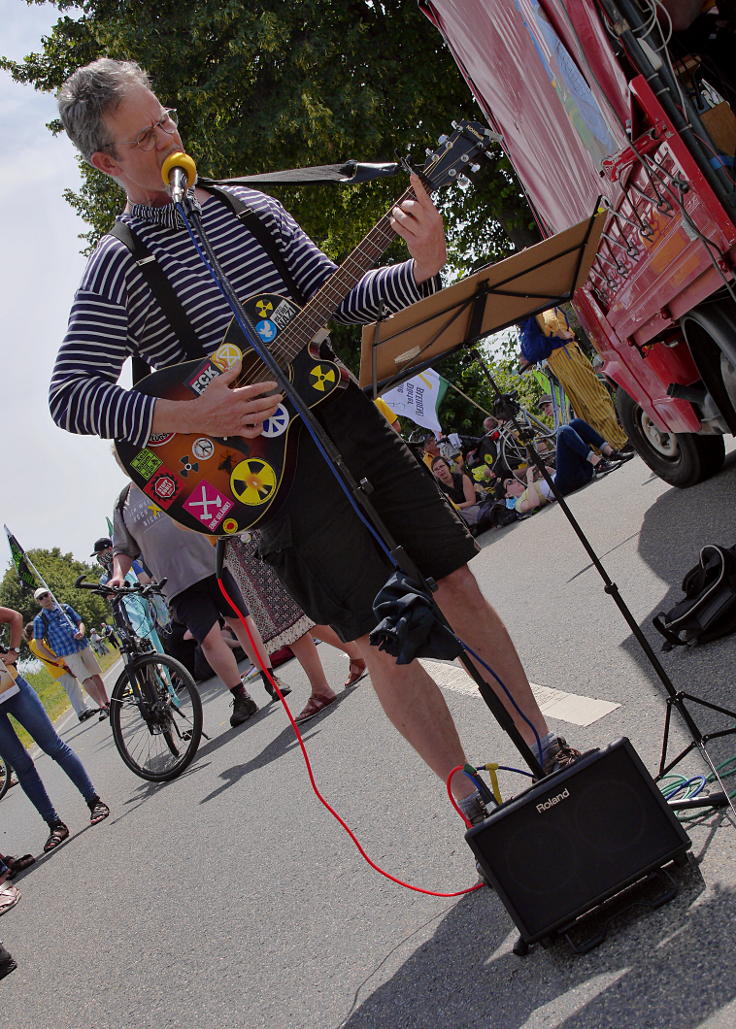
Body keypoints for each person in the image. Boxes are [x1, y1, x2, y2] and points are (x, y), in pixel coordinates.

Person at [52, 59, 581, 829]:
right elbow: (71, 394)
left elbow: (341, 293)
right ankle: (471, 796)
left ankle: (542, 744)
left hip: (345, 419)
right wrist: (194, 418)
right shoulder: (119, 266)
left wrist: (423, 266)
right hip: (269, 479)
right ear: (106, 163)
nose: (169, 137)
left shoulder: (252, 208)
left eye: (166, 118)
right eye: (144, 136)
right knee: (381, 630)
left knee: (456, 581)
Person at [110, 482, 291, 726]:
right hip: (175, 582)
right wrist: (118, 575)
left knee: (240, 621)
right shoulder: (124, 504)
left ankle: (271, 679)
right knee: (206, 638)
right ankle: (241, 696)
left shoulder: (165, 472)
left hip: (213, 562)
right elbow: (123, 549)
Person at [0, 607, 110, 853]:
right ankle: (55, 825)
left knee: (53, 746)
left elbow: (15, 617)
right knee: (21, 765)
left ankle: (94, 800)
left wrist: (13, 650)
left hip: (12, 686)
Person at [503, 402, 632, 514]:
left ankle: (610, 452)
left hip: (573, 476)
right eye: (510, 482)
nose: (515, 481)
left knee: (575, 423)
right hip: (564, 486)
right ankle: (599, 464)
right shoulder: (518, 504)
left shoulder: (529, 489)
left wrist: (549, 471)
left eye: (512, 480)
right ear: (508, 494)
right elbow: (535, 503)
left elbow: (561, 474)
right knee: (563, 431)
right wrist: (530, 481)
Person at [32, 588, 110, 720]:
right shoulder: (40, 620)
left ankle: (107, 701)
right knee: (84, 678)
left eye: (45, 595)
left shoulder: (64, 607)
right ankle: (102, 706)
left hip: (82, 645)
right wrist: (53, 658)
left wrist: (81, 631)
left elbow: (79, 621)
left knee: (95, 673)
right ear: (38, 602)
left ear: (49, 595)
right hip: (67, 652)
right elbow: (39, 644)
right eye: (40, 598)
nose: (44, 599)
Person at [23, 623, 97, 723]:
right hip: (60, 667)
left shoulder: (31, 644)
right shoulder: (37, 642)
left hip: (56, 669)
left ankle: (84, 708)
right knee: (73, 690)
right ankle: (81, 712)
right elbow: (52, 653)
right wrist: (64, 660)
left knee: (74, 689)